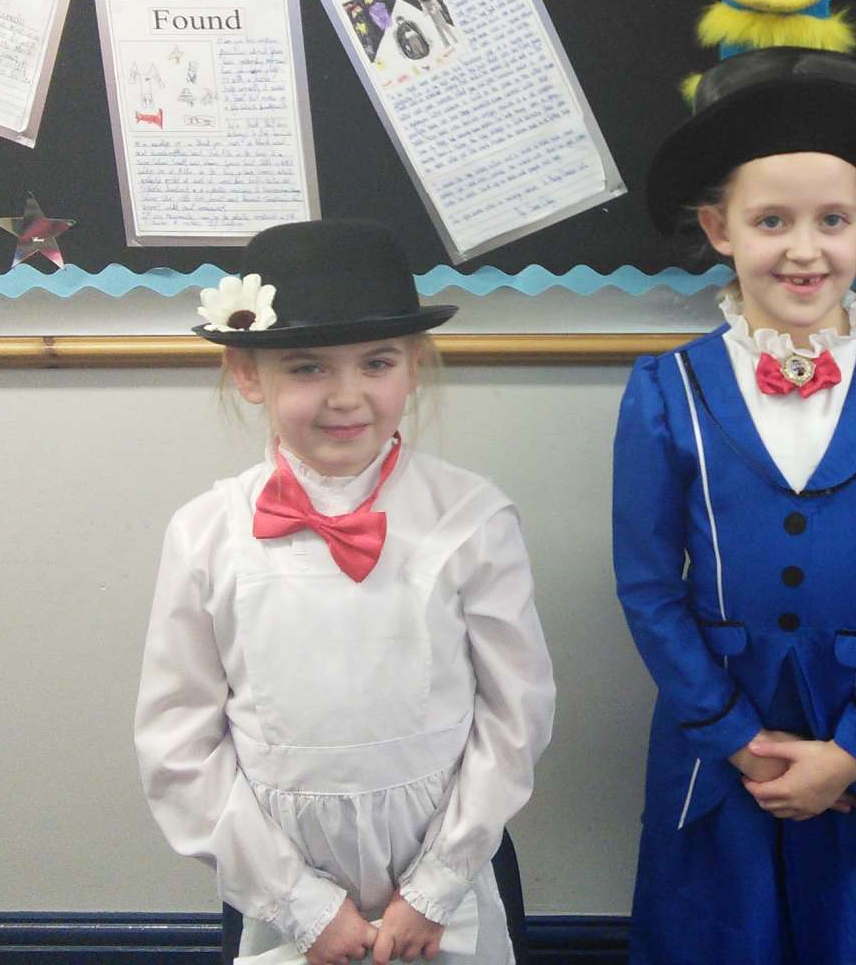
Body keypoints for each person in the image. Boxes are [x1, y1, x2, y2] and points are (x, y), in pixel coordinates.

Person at [614, 48, 856, 964]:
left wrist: (855, 749)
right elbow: (648, 586)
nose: (804, 250)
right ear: (719, 227)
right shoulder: (664, 389)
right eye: (770, 220)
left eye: (832, 220)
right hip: (720, 738)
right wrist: (736, 738)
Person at [135, 219, 555, 965]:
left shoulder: (472, 519)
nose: (346, 396)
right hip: (276, 877)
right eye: (307, 368)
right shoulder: (205, 533)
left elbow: (514, 715)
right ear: (247, 373)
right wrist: (298, 904)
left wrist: (435, 888)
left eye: (376, 363)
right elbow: (179, 743)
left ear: (413, 366)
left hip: (449, 869)